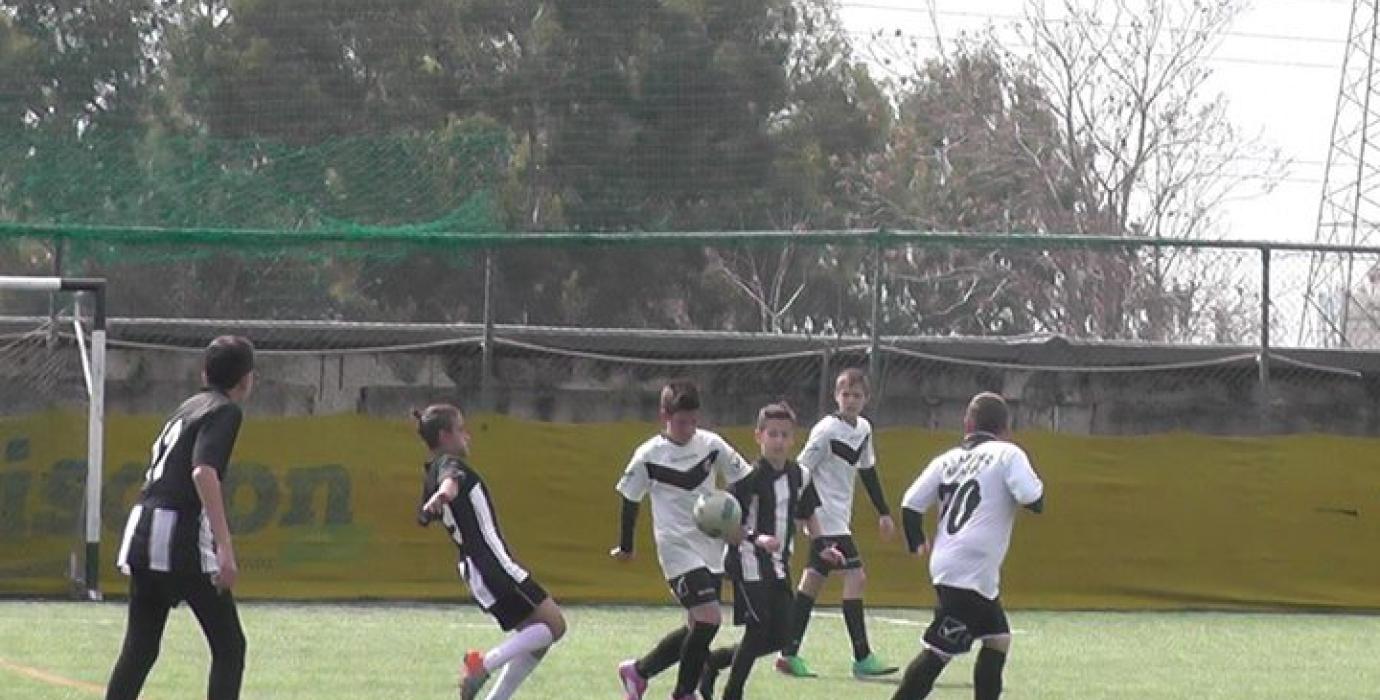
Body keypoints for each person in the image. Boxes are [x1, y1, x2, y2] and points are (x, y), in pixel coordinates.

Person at [106, 335, 255, 700]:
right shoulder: (225, 410)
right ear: (246, 379)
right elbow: (203, 471)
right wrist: (224, 546)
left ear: (204, 372)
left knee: (140, 648)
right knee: (229, 646)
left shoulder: (188, 406)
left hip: (142, 528)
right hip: (178, 534)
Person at [892, 392, 1045, 700]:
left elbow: (910, 504)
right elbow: (1033, 499)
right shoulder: (1007, 453)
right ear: (1006, 427)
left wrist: (916, 540)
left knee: (998, 639)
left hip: (954, 563)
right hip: (971, 570)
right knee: (939, 651)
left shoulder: (946, 459)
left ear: (968, 424)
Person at [612, 379, 753, 700]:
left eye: (693, 421)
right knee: (710, 619)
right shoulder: (649, 455)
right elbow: (630, 499)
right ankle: (683, 693)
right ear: (664, 416)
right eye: (681, 422)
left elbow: (744, 479)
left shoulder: (711, 445)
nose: (688, 428)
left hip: (711, 547)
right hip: (675, 548)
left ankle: (639, 672)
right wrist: (627, 546)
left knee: (697, 626)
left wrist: (735, 520)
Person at [415, 403, 567, 700]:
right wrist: (443, 494)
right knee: (554, 626)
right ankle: (482, 665)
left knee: (536, 638)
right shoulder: (449, 464)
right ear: (445, 436)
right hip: (491, 564)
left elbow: (427, 513)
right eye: (461, 430)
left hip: (475, 567)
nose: (467, 436)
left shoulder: (431, 471)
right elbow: (450, 483)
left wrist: (435, 502)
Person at [698, 401, 842, 700]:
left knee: (782, 634)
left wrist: (823, 547)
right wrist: (756, 538)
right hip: (747, 561)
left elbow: (809, 514)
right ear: (759, 436)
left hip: (778, 565)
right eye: (772, 434)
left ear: (793, 439)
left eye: (784, 435)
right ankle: (732, 694)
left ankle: (714, 661)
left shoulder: (800, 475)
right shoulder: (747, 478)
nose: (778, 441)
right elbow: (728, 525)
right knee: (758, 628)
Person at [778, 368, 898, 679]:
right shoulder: (826, 430)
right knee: (856, 577)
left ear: (866, 398)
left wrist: (884, 512)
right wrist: (803, 513)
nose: (851, 400)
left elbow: (867, 470)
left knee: (812, 582)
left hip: (839, 517)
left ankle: (788, 653)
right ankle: (862, 656)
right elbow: (801, 470)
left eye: (857, 395)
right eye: (845, 394)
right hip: (826, 517)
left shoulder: (864, 429)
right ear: (836, 396)